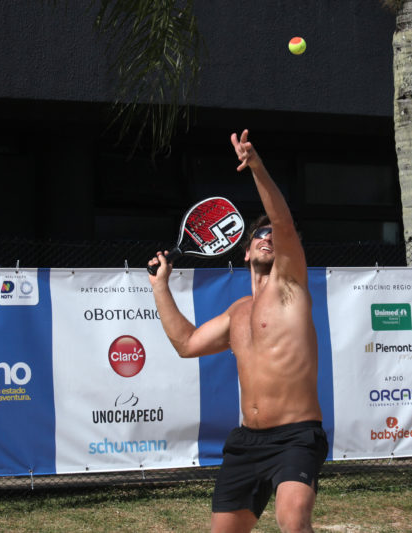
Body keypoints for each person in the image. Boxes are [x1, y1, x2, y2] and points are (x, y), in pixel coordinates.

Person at [148, 130, 328, 533]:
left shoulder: (290, 288)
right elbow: (186, 344)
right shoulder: (237, 313)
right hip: (247, 443)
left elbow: (281, 220)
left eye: (275, 237)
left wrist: (257, 168)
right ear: (245, 252)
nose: (268, 238)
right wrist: (161, 287)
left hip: (296, 438)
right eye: (258, 235)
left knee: (294, 522)